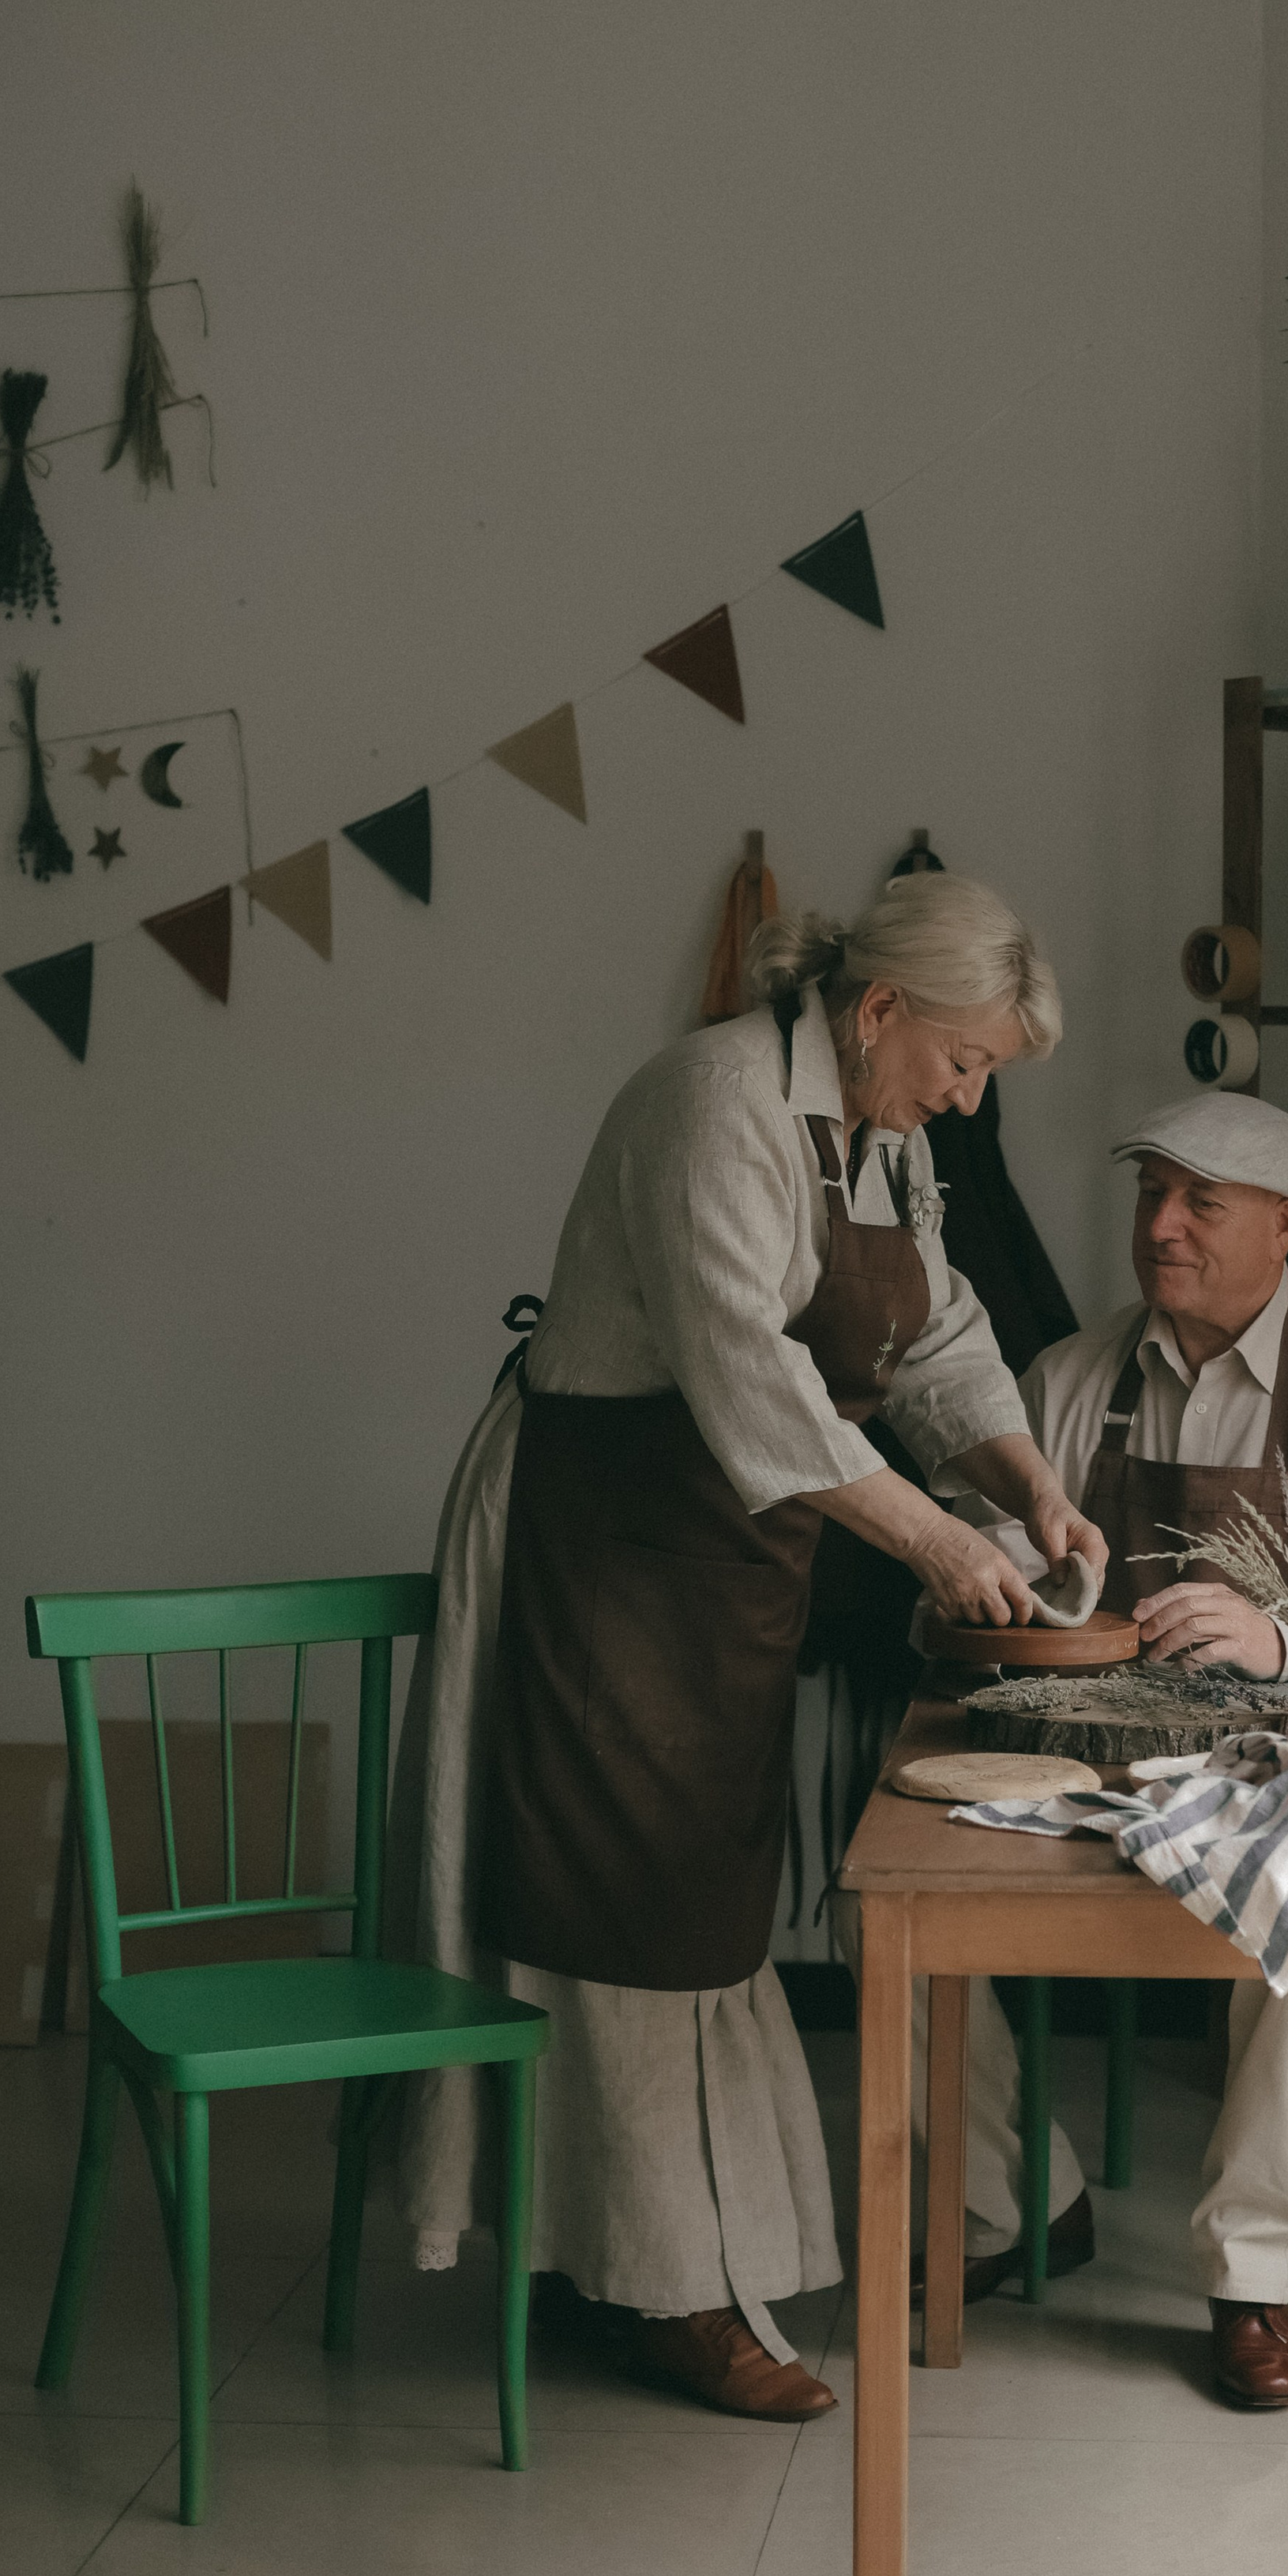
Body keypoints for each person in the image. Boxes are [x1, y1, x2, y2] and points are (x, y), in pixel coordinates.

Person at [385, 872, 1106, 2424]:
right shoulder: (710, 1102)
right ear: (878, 1009)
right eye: (963, 1060)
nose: (968, 1098)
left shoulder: (884, 1137)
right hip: (600, 1536)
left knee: (697, 1899)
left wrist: (1027, 1484)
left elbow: (936, 1334)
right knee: (618, 1901)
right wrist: (937, 1542)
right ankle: (665, 2290)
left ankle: (635, 2259)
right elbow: (750, 1378)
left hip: (724, 1553)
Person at [917, 1088, 1288, 2409]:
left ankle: (1252, 2275)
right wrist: (1010, 1581)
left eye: (1200, 1204)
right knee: (882, 1906)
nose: (1161, 1228)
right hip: (1082, 1763)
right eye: (1150, 1196)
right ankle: (1017, 2199)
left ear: (1286, 1226)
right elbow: (980, 1534)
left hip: (1284, 1764)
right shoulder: (1074, 1377)